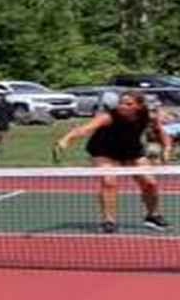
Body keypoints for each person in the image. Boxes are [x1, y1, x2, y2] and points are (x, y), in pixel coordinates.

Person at [56, 90, 172, 234]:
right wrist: (66, 139)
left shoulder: (147, 116)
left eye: (128, 104)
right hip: (103, 151)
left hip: (131, 151)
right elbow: (85, 129)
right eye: (121, 103)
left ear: (139, 106)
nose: (122, 106)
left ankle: (152, 215)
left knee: (150, 182)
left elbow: (160, 131)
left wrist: (167, 148)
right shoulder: (108, 117)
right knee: (109, 181)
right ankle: (109, 221)